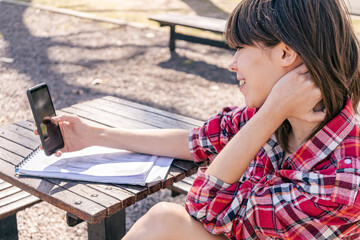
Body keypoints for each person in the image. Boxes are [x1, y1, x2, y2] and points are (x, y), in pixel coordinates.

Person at [35, 0, 360, 239]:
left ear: (286, 54)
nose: (232, 64)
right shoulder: (276, 118)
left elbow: (206, 208)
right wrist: (92, 135)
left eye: (240, 48)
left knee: (166, 221)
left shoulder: (343, 180)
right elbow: (197, 142)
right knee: (164, 220)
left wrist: (270, 114)